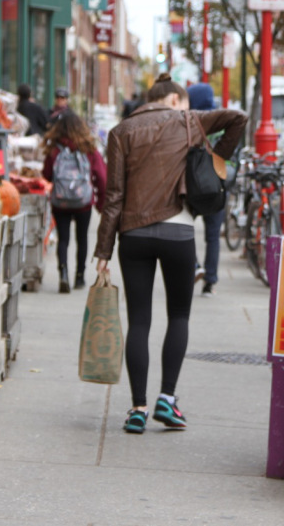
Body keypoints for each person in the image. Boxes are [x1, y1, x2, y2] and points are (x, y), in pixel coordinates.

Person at [95, 73, 247, 434]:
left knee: (139, 321)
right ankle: (167, 398)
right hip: (179, 232)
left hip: (132, 235)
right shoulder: (188, 120)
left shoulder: (120, 132)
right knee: (178, 315)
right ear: (176, 100)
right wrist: (212, 159)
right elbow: (237, 119)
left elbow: (113, 196)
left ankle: (137, 408)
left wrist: (103, 249)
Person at [43, 111, 106, 293]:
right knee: (82, 238)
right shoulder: (89, 149)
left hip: (60, 201)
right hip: (83, 201)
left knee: (63, 239)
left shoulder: (55, 149)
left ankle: (63, 273)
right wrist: (101, 203)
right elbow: (101, 177)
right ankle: (80, 277)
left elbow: (46, 174)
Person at [186, 83, 222, 296]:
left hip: (192, 186)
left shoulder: (189, 125)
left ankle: (194, 266)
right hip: (216, 187)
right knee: (213, 236)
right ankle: (210, 280)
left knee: (185, 228)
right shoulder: (222, 123)